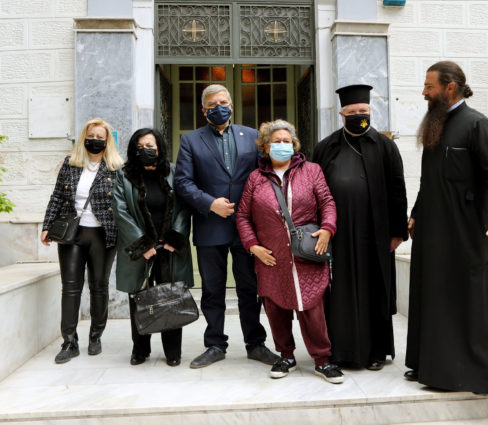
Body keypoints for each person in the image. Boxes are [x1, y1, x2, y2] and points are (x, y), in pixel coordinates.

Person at [404, 61, 488, 395]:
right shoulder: (436, 124)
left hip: (467, 233)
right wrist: (416, 212)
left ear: (449, 87)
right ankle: (431, 366)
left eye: (429, 86)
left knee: (466, 302)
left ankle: (466, 373)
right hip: (434, 231)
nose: (424, 92)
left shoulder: (478, 125)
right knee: (435, 298)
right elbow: (429, 181)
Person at [174, 84, 278, 368]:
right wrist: (210, 203)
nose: (218, 108)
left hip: (248, 228)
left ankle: (255, 344)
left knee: (250, 288)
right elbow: (182, 182)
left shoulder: (253, 136)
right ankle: (215, 344)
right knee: (212, 289)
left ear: (231, 106)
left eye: (222, 102)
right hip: (210, 225)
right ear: (203, 110)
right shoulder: (191, 140)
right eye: (212, 104)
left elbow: (265, 175)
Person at [236, 120, 344, 384]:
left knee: (313, 309)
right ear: (265, 146)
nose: (282, 145)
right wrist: (253, 246)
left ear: (294, 145)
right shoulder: (255, 178)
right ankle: (286, 356)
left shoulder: (312, 171)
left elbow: (327, 202)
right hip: (271, 257)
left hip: (307, 252)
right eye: (276, 141)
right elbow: (243, 215)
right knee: (276, 309)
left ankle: (322, 360)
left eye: (287, 141)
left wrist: (327, 229)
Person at [313, 84, 409, 371]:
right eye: (353, 111)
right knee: (339, 293)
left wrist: (397, 232)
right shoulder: (325, 147)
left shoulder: (385, 146)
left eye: (363, 110)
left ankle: (376, 352)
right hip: (337, 234)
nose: (359, 115)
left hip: (376, 234)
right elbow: (312, 190)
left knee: (374, 289)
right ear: (342, 114)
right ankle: (339, 351)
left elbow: (398, 190)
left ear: (370, 110)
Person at [41, 118, 123, 364]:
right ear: (83, 138)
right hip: (72, 233)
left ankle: (95, 336)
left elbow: (124, 203)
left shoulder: (117, 167)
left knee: (99, 286)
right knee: (70, 287)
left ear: (107, 141)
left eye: (100, 137)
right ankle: (69, 342)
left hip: (104, 234)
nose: (95, 140)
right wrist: (47, 225)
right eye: (91, 136)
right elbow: (57, 196)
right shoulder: (71, 163)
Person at [112, 128, 193, 367]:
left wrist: (174, 238)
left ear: (159, 147)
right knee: (139, 299)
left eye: (150, 146)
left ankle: (173, 351)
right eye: (140, 147)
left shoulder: (174, 172)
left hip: (168, 248)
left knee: (171, 297)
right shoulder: (124, 176)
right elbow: (120, 211)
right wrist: (142, 244)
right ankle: (140, 349)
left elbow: (184, 207)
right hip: (142, 249)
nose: (145, 150)